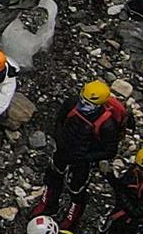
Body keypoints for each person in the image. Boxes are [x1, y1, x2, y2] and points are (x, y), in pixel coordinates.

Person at [39, 79, 132, 223]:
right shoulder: (72, 103)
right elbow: (59, 121)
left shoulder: (107, 125)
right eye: (82, 100)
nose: (82, 105)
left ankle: (73, 214)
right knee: (54, 175)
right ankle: (49, 204)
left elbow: (110, 151)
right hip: (64, 149)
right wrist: (59, 140)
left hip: (83, 160)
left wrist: (85, 157)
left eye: (88, 104)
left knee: (76, 188)